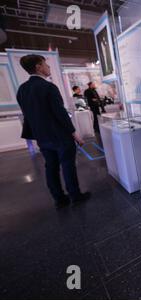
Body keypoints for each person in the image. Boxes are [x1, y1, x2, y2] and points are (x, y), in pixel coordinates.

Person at [16, 54, 91, 209]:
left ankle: (59, 199)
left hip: (42, 138)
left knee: (51, 167)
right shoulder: (48, 87)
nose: (48, 67)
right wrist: (74, 133)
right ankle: (75, 195)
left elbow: (28, 115)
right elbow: (60, 114)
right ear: (38, 67)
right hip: (60, 136)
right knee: (68, 165)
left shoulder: (22, 90)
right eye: (46, 64)